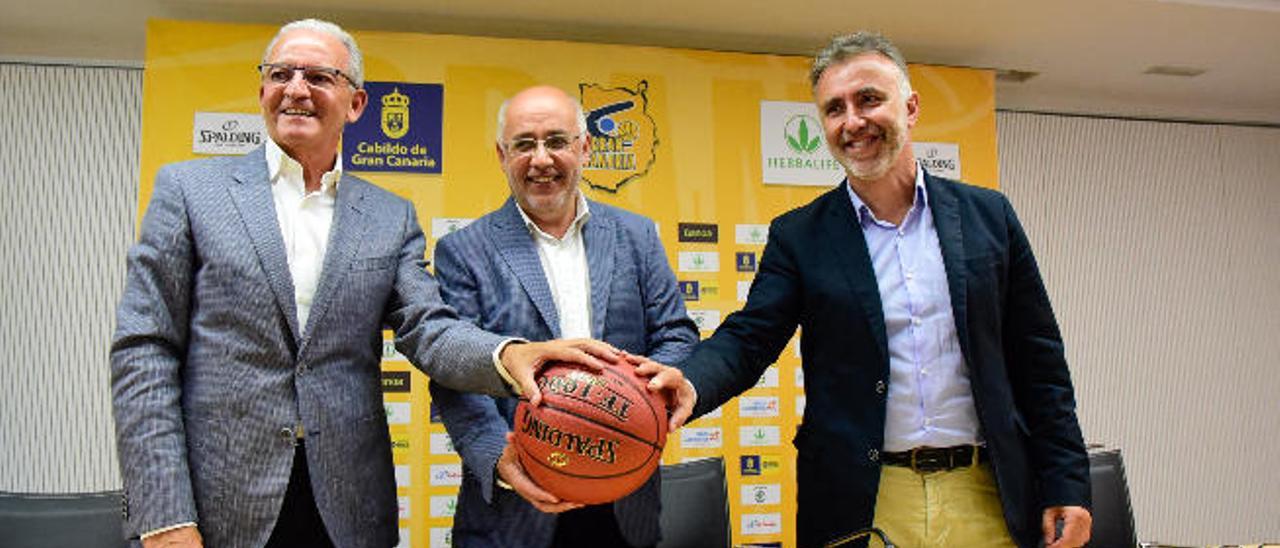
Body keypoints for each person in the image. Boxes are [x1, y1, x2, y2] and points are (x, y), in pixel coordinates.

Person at [110, 20, 621, 548]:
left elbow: (429, 327)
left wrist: (508, 355)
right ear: (262, 91)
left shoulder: (388, 216)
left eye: (319, 76)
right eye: (280, 74)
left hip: (349, 510)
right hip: (219, 507)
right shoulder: (190, 192)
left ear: (355, 104)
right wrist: (164, 516)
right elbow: (143, 352)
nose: (296, 89)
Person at [652, 32, 1092, 547]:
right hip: (864, 498)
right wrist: (690, 382)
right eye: (834, 109)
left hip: (987, 491)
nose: (852, 121)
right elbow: (749, 339)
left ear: (910, 108)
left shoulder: (988, 216)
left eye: (868, 100)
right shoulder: (801, 236)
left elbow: (1040, 361)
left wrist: (1067, 481)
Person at [428, 85, 699, 548]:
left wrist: (652, 391)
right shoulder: (463, 251)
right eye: (524, 144)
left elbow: (675, 334)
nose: (541, 159)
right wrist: (500, 460)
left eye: (556, 141)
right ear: (501, 154)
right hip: (516, 508)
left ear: (585, 147)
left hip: (624, 502)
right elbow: (454, 375)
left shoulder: (636, 235)